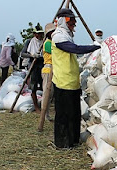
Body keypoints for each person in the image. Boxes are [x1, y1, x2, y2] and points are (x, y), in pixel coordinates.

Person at [52, 8, 100, 148]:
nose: (73, 24)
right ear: (62, 21)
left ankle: (73, 141)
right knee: (63, 115)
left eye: (74, 21)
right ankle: (62, 143)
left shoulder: (67, 35)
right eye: (70, 21)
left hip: (72, 82)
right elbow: (75, 49)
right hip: (63, 82)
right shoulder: (58, 36)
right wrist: (93, 48)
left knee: (74, 114)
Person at [27, 25, 44, 113]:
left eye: (41, 33)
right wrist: (32, 55)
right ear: (34, 34)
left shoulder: (43, 41)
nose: (40, 35)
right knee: (33, 86)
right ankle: (36, 106)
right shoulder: (29, 41)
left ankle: (44, 105)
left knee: (43, 85)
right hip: (33, 65)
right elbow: (23, 53)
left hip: (42, 64)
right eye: (38, 34)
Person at [41, 22, 56, 121]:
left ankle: (47, 114)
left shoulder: (52, 42)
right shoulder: (47, 43)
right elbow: (55, 53)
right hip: (48, 68)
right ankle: (44, 114)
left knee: (51, 93)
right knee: (47, 92)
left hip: (54, 68)